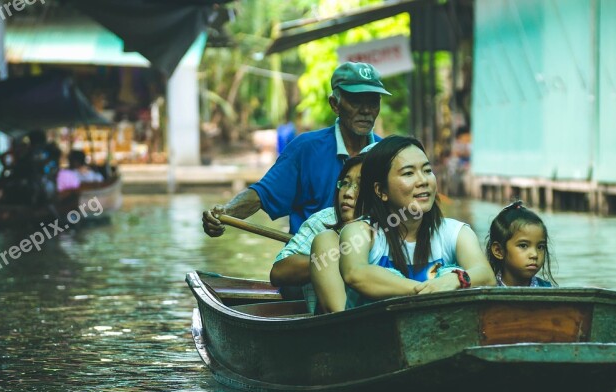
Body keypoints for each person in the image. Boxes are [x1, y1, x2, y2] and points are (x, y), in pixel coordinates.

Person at [202, 62, 390, 237]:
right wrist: (225, 214)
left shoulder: (387, 154)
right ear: (335, 105)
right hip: (309, 261)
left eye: (373, 102)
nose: (366, 111)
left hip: (368, 263)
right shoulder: (306, 149)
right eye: (356, 101)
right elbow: (261, 195)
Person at [325, 135, 495, 310]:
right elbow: (356, 273)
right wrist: (427, 291)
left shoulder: (456, 232)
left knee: (449, 273)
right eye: (408, 173)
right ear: (381, 190)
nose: (423, 181)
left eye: (427, 170)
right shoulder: (360, 232)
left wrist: (456, 279)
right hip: (373, 333)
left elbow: (486, 275)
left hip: (439, 332)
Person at [270, 155, 364, 312]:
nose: (347, 193)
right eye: (345, 183)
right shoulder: (325, 220)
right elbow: (278, 272)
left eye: (360, 185)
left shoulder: (394, 221)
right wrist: (335, 258)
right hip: (332, 322)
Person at [486, 200, 556, 287]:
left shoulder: (548, 290)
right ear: (498, 251)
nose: (534, 255)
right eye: (523, 245)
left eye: (540, 247)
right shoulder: (488, 289)